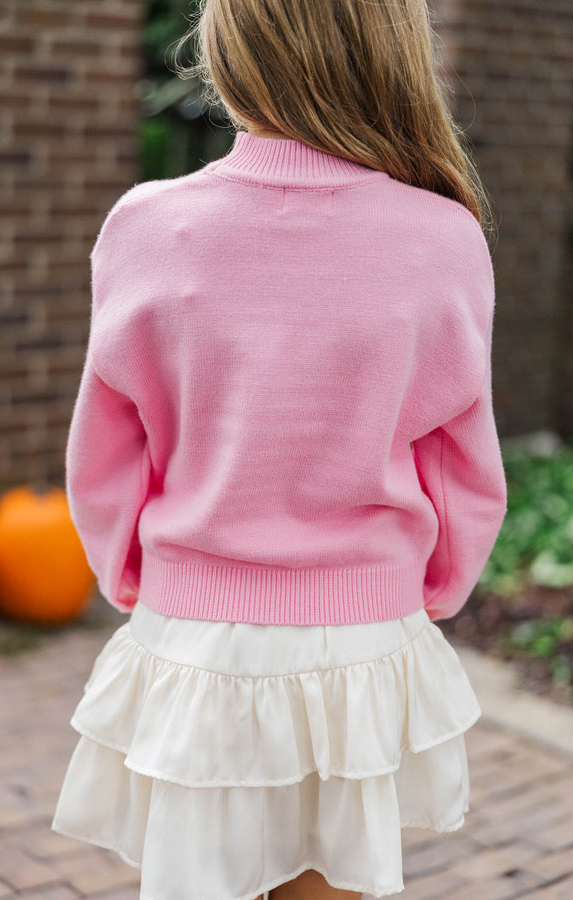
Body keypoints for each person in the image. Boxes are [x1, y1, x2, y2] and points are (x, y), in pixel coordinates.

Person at [51, 1, 508, 898]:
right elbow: (464, 467)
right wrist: (428, 591)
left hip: (199, 644)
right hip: (362, 650)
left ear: (228, 50)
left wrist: (139, 579)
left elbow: (105, 451)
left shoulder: (145, 225)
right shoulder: (443, 236)